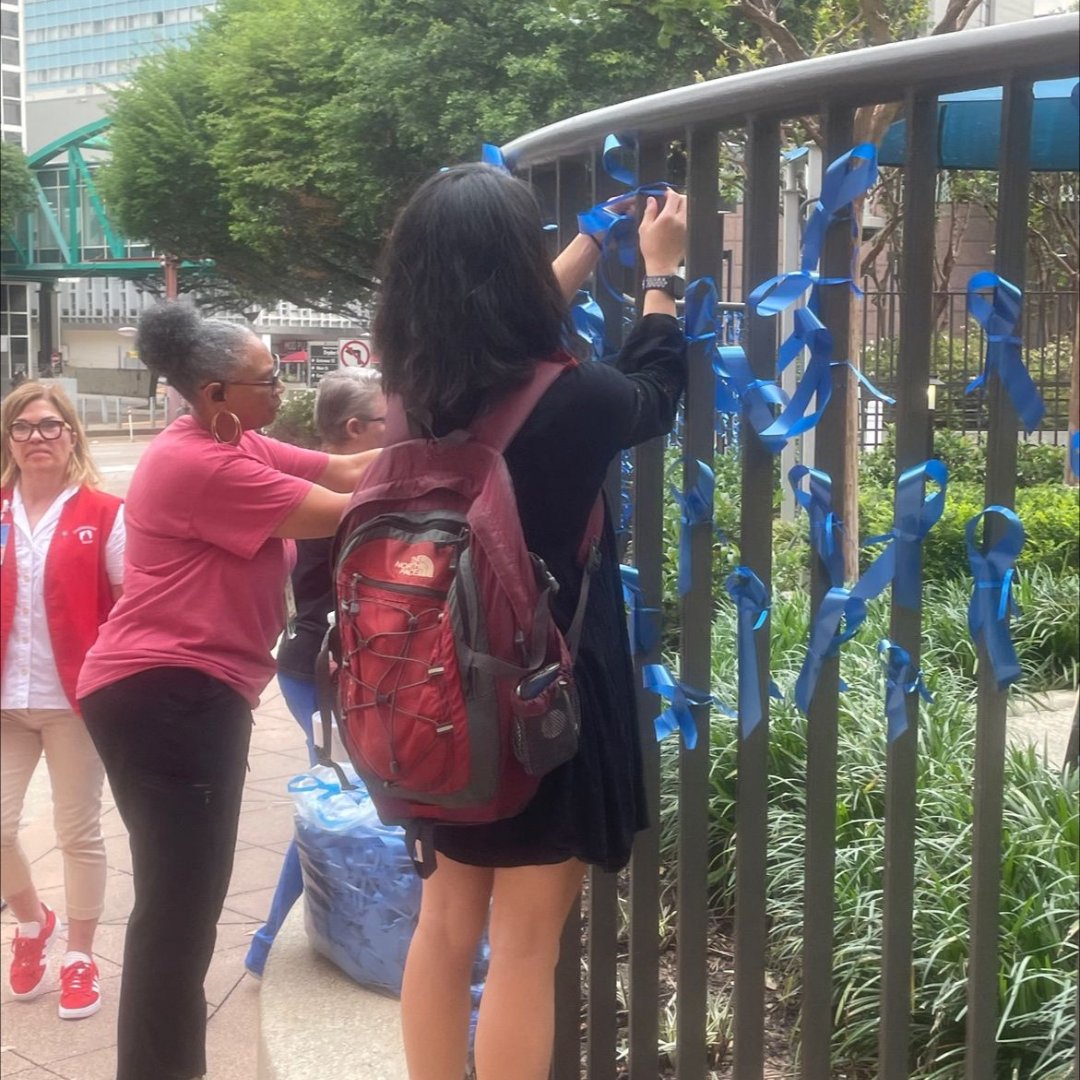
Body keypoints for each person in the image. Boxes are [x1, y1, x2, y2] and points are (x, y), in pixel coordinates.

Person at [374, 164, 687, 1080]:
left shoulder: (412, 385)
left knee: (443, 929)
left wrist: (593, 242)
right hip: (544, 701)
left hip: (438, 694)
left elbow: (503, 332)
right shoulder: (576, 397)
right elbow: (654, 393)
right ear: (516, 266)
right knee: (523, 949)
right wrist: (659, 272)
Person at [75, 303, 380, 1080]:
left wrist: (430, 442)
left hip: (174, 692)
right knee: (179, 914)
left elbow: (348, 468)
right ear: (215, 392)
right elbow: (345, 511)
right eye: (268, 379)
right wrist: (457, 465)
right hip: (170, 694)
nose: (284, 390)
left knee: (179, 907)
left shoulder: (228, 438)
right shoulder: (200, 464)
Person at [244, 366, 388, 978]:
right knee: (336, 798)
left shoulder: (311, 475)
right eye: (388, 421)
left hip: (328, 667)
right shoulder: (330, 496)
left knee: (340, 796)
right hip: (325, 672)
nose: (398, 430)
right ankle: (270, 939)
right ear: (355, 430)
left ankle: (273, 939)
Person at [1, 382, 124, 1021]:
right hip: (4, 704)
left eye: (50, 426)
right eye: (23, 428)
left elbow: (132, 604)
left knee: (79, 831)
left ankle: (79, 955)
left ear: (72, 434)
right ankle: (31, 924)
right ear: (9, 439)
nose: (37, 438)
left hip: (75, 701)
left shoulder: (105, 512)